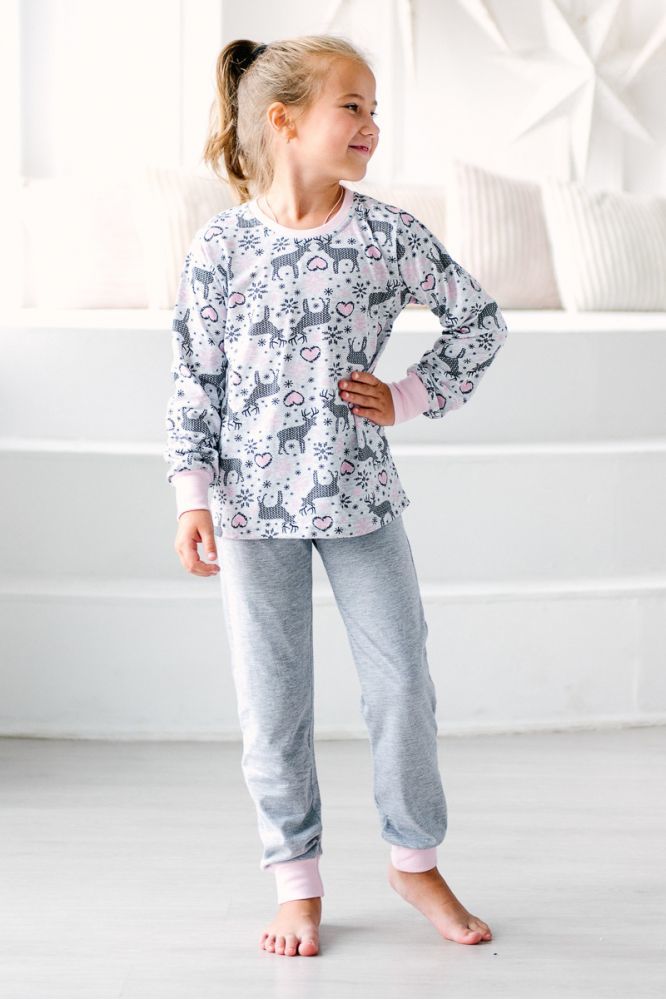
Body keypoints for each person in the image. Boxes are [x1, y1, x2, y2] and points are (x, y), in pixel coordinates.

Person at [164, 34, 508, 958]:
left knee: (403, 683)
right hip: (250, 510)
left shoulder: (387, 235)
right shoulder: (223, 247)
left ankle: (414, 859)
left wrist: (409, 395)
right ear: (284, 120)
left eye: (374, 109)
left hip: (359, 496)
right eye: (351, 106)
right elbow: (195, 378)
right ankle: (296, 882)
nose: (371, 125)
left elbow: (479, 321)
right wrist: (192, 494)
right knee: (273, 703)